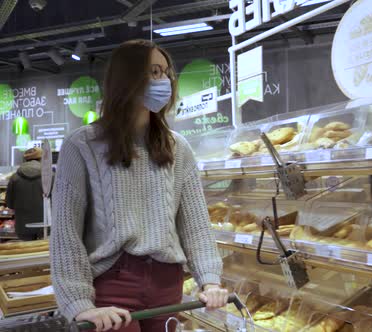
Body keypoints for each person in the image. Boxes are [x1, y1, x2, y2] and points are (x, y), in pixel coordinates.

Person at [50, 40, 227, 332]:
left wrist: (210, 279)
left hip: (168, 283)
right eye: (154, 72)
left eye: (167, 73)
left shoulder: (177, 147)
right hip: (111, 284)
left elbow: (196, 225)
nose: (165, 81)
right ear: (126, 79)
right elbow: (66, 235)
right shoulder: (81, 145)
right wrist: (78, 303)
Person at [5, 147, 44, 241]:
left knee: (27, 251)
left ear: (25, 159)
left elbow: (9, 203)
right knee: (42, 253)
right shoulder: (50, 176)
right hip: (45, 225)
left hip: (22, 226)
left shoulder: (14, 177)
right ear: (41, 159)